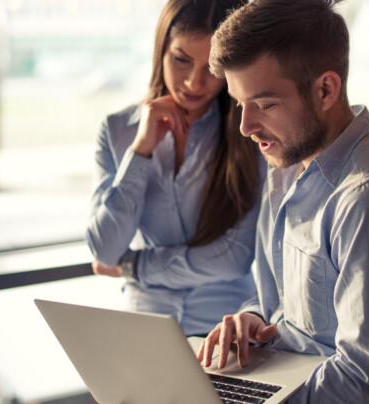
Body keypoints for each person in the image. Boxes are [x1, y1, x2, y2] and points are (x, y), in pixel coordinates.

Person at [197, 0, 369, 402]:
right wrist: (254, 318)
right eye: (239, 104)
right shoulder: (285, 165)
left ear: (326, 90)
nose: (246, 127)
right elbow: (284, 305)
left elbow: (363, 385)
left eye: (264, 104)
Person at [86, 0, 263, 337]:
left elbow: (234, 258)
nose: (195, 83)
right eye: (181, 60)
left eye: (212, 68)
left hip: (226, 334)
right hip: (145, 333)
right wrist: (140, 152)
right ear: (161, 49)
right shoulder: (116, 130)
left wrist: (133, 265)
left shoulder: (249, 132)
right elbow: (104, 249)